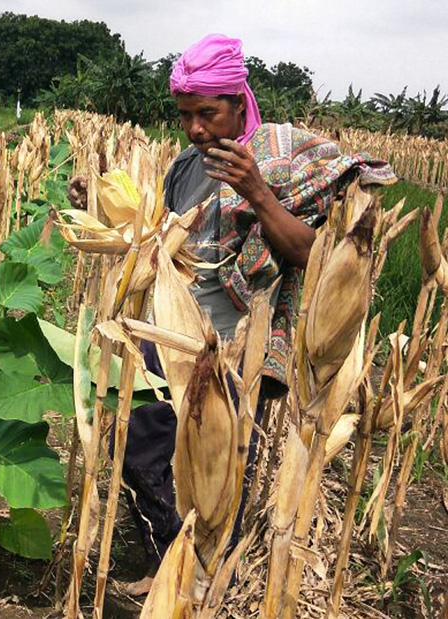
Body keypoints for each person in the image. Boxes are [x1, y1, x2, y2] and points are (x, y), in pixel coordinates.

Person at [112, 33, 395, 596]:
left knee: (219, 460)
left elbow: (315, 258)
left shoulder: (280, 159)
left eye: (207, 113)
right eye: (185, 115)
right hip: (172, 330)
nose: (195, 128)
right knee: (139, 443)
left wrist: (258, 191)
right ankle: (168, 560)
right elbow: (165, 244)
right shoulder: (185, 168)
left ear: (239, 102)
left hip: (240, 341)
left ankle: (208, 579)